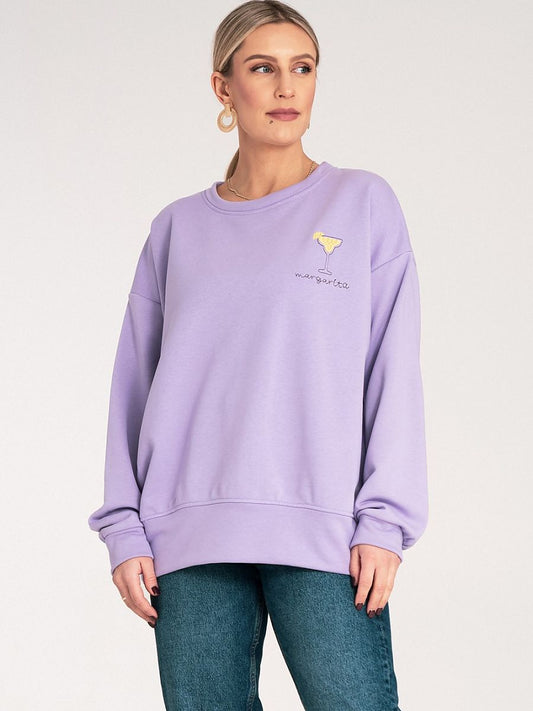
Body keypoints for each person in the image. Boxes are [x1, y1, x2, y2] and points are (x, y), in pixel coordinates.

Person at [87, 1, 429, 709]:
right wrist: (123, 527)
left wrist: (384, 521)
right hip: (188, 537)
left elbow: (392, 372)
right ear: (223, 86)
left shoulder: (361, 203)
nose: (285, 87)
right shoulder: (177, 228)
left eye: (302, 68)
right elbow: (134, 387)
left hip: (324, 532)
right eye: (263, 68)